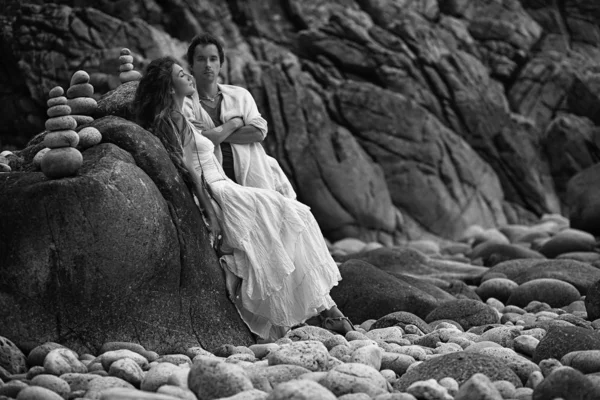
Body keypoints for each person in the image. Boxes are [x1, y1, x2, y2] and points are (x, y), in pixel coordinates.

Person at [133, 56, 354, 341]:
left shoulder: (181, 116)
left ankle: (325, 311)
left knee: (285, 228)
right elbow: (190, 169)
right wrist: (211, 215)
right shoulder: (173, 119)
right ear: (169, 84)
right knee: (290, 218)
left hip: (223, 186)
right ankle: (327, 314)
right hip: (219, 190)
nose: (189, 76)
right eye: (181, 74)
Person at [182, 33, 295, 199]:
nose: (208, 65)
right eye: (201, 59)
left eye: (213, 59)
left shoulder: (240, 95)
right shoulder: (186, 104)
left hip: (255, 179)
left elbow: (258, 132)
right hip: (216, 187)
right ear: (191, 65)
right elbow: (195, 142)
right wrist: (233, 124)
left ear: (221, 64)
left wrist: (214, 136)